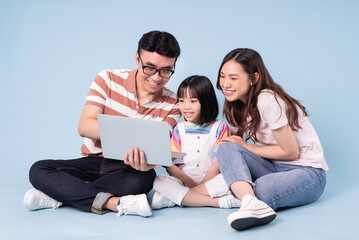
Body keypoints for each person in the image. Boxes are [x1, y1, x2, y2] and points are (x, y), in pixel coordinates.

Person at [23, 30, 182, 217]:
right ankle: (114, 203)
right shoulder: (108, 79)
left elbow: (158, 146)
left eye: (166, 71)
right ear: (137, 59)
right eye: (149, 67)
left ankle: (61, 195)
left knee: (145, 178)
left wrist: (147, 162)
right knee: (39, 169)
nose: (156, 77)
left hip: (127, 169)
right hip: (91, 162)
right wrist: (135, 133)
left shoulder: (174, 103)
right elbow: (85, 126)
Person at [216, 48, 328, 231]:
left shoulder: (267, 99)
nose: (225, 84)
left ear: (254, 78)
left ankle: (245, 199)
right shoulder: (235, 103)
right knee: (226, 148)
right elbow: (232, 149)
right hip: (273, 167)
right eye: (222, 76)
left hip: (308, 172)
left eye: (233, 78)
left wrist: (245, 146)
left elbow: (291, 152)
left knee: (261, 189)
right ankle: (248, 201)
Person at [151, 75, 241, 209]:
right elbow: (171, 164)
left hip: (212, 180)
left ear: (206, 102)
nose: (186, 107)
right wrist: (187, 181)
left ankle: (177, 198)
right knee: (158, 180)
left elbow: (218, 163)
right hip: (183, 181)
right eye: (181, 100)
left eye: (193, 101)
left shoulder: (220, 127)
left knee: (229, 180)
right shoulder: (179, 130)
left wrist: (203, 184)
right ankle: (215, 201)